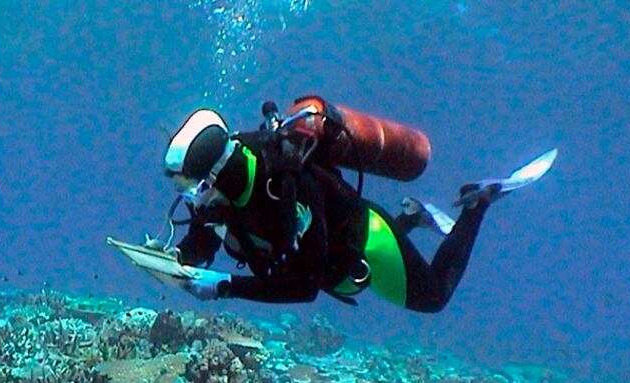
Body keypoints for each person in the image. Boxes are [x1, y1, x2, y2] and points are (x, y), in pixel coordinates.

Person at [160, 100, 555, 311]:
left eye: (195, 188)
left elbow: (304, 287)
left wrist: (226, 287)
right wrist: (176, 258)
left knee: (433, 297)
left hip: (366, 244)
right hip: (335, 250)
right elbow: (206, 235)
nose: (194, 199)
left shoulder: (286, 183)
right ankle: (414, 217)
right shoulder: (218, 189)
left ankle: (477, 204)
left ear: (218, 172)